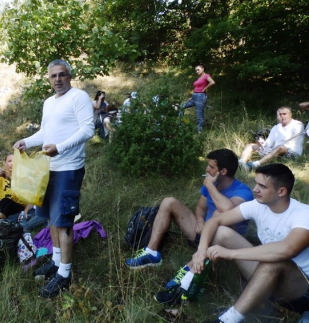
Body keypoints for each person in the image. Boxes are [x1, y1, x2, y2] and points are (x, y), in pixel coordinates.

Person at [13, 59, 94, 298]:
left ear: (70, 76)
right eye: (53, 76)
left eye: (62, 75)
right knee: (50, 217)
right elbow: (45, 132)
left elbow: (88, 129)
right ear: (48, 79)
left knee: (63, 220)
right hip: (47, 168)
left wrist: (60, 148)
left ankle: (65, 275)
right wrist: (26, 142)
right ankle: (57, 262)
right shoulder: (49, 103)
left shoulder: (78, 97)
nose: (57, 79)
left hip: (68, 168)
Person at [188, 164, 309, 323]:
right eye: (256, 183)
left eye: (262, 186)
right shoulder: (258, 205)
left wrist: (230, 253)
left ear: (281, 191)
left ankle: (227, 320)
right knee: (221, 232)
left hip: (300, 288)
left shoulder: (303, 214)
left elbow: (287, 249)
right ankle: (189, 283)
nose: (255, 189)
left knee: (272, 262)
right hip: (266, 276)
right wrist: (201, 250)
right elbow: (215, 221)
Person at [125, 149, 253, 270]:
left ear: (223, 171)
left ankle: (201, 265)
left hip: (223, 244)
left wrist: (209, 186)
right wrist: (199, 220)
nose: (206, 169)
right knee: (169, 201)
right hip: (202, 233)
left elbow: (228, 209)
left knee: (218, 213)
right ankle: (151, 253)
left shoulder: (243, 191)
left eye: (211, 167)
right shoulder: (212, 184)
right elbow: (200, 208)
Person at [238, 106, 305, 171]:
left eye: (284, 114)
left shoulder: (298, 125)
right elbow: (269, 143)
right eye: (280, 114)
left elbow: (285, 138)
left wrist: (279, 124)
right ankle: (241, 163)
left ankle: (254, 165)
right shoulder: (276, 127)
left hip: (292, 153)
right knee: (250, 145)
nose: (282, 116)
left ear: (290, 114)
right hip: (275, 150)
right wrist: (262, 142)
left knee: (280, 147)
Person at [182, 64, 215, 132]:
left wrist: (205, 88)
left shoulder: (206, 76)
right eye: (196, 70)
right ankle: (182, 124)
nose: (197, 71)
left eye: (198, 70)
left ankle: (199, 132)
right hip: (194, 96)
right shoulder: (199, 78)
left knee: (199, 114)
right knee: (181, 106)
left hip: (201, 96)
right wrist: (192, 97)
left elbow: (212, 82)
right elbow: (196, 88)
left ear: (202, 69)